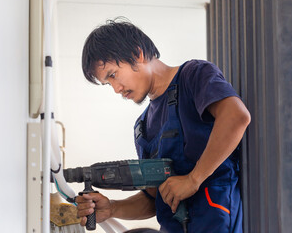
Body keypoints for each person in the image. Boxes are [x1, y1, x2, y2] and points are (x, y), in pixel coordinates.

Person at [75, 19, 250, 233]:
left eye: (113, 75)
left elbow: (236, 117)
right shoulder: (142, 127)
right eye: (107, 83)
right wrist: (112, 208)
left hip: (218, 222)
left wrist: (194, 179)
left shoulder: (193, 75)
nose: (116, 89)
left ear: (137, 54)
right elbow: (154, 198)